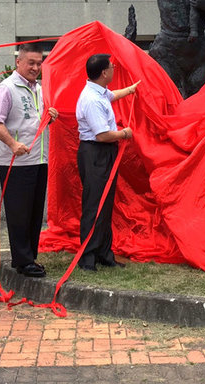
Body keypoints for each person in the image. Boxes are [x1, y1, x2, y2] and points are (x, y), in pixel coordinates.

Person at [0, 44, 58, 278]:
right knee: (19, 213)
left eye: (39, 63)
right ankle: (22, 260)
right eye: (31, 63)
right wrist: (12, 144)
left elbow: (32, 121)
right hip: (15, 163)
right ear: (18, 62)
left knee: (34, 212)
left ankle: (30, 257)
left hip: (39, 160)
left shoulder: (38, 89)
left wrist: (49, 117)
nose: (36, 68)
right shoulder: (7, 89)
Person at [76, 54, 139, 271]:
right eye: (112, 67)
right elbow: (102, 135)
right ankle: (88, 257)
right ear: (104, 73)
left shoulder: (100, 92)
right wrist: (124, 134)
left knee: (105, 204)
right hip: (96, 153)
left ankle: (104, 252)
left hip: (103, 153)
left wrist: (131, 90)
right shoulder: (92, 100)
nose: (114, 69)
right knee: (95, 204)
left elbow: (112, 96)